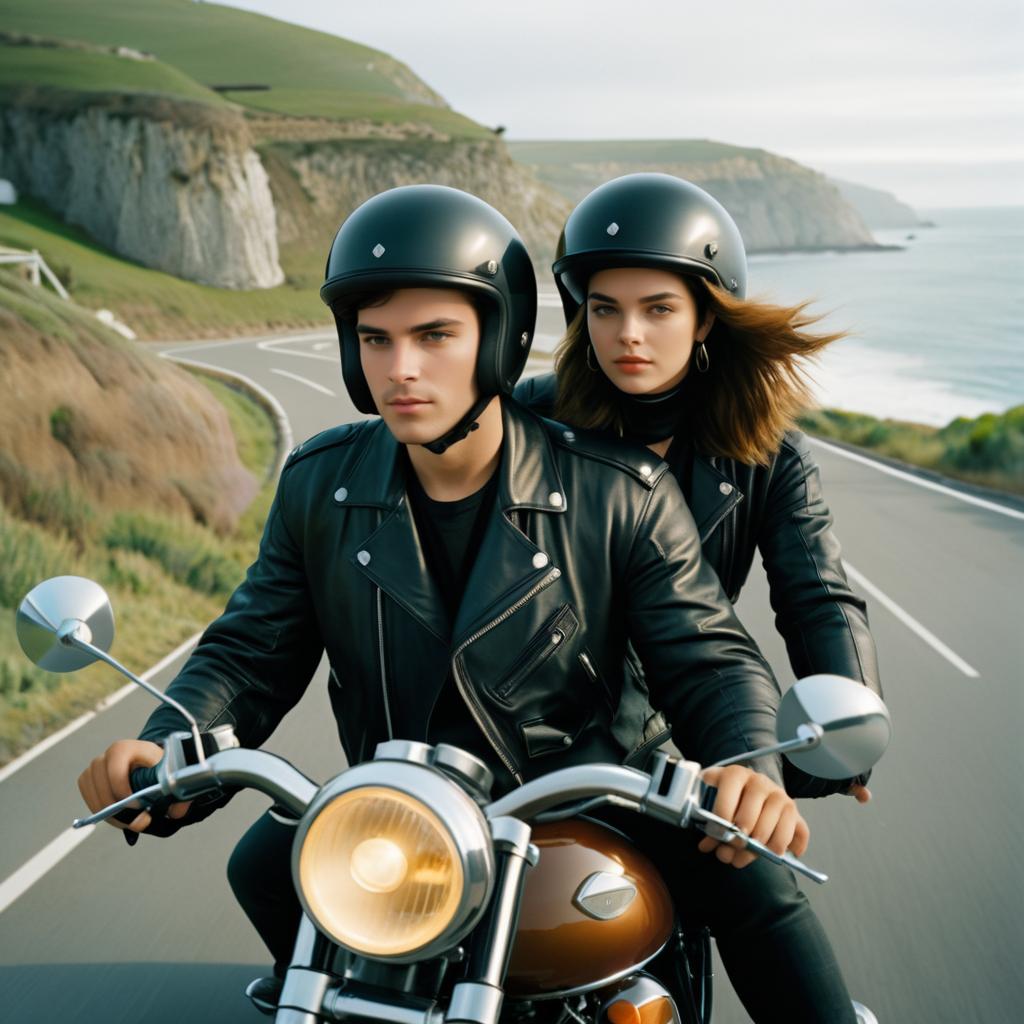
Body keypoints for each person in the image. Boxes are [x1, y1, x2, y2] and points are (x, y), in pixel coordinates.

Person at [77, 185, 854, 1022]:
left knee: (754, 878)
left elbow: (711, 653)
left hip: (586, 794)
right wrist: (166, 748)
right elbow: (248, 650)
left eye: (435, 335)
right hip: (409, 809)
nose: (400, 368)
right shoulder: (321, 483)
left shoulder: (621, 491)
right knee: (265, 868)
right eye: (375, 339)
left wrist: (751, 767)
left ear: (499, 338)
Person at [515, 173, 882, 801]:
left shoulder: (769, 450)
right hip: (535, 723)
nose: (628, 332)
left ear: (705, 318)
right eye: (605, 308)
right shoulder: (529, 420)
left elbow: (817, 596)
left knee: (763, 895)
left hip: (694, 721)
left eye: (658, 308)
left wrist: (848, 733)